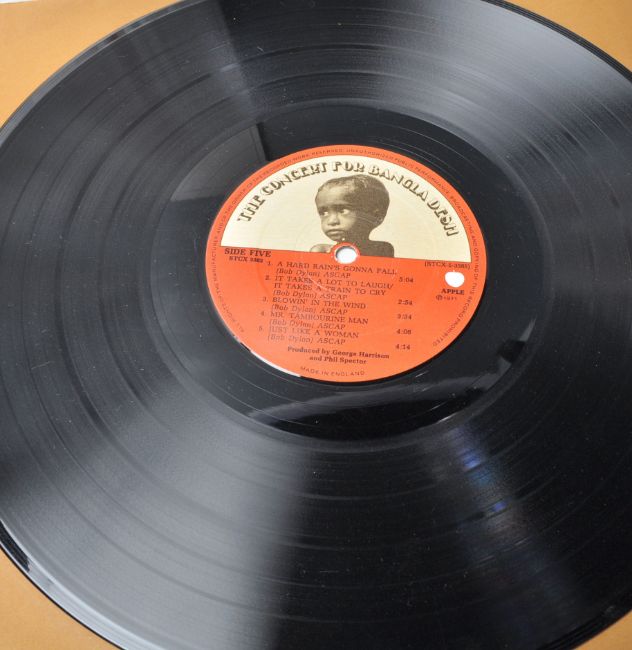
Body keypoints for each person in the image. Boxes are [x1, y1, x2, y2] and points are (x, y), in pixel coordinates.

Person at [310, 174, 395, 257]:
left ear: (376, 216)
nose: (331, 221)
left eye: (343, 211)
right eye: (324, 213)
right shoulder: (321, 253)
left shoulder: (382, 250)